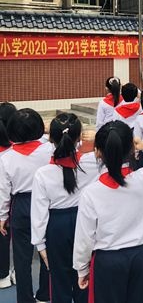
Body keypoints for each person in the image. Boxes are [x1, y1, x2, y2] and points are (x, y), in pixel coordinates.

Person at [73, 121, 143, 303]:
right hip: (138, 257)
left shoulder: (92, 192)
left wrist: (82, 269)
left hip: (107, 260)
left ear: (97, 152)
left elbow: (84, 238)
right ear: (132, 149)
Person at [31, 113, 99, 303]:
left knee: (59, 280)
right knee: (84, 275)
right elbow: (114, 147)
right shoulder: (93, 163)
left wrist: (40, 244)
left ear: (51, 139)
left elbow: (39, 212)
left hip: (56, 226)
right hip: (84, 221)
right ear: (80, 138)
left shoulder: (43, 173)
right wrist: (96, 137)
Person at [0, 108, 52, 303]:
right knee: (47, 249)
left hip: (21, 204)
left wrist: (2, 216)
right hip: (47, 201)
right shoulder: (50, 149)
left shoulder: (7, 158)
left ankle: (25, 298)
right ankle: (45, 295)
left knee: (22, 257)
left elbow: (3, 191)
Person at [0, 103, 15, 289]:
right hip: (17, 201)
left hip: (3, 200)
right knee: (20, 240)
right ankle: (17, 272)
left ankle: (3, 274)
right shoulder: (15, 150)